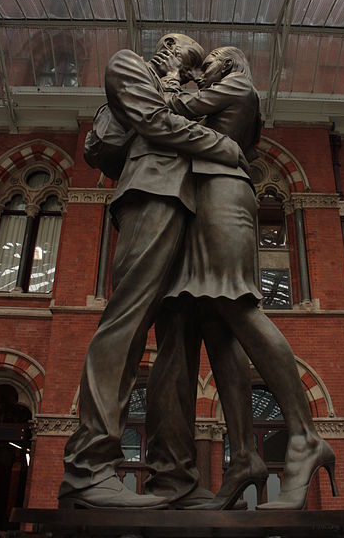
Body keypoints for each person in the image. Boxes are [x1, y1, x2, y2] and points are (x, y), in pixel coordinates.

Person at [58, 34, 250, 510]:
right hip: (151, 195)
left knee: (179, 347)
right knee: (126, 321)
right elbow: (154, 121)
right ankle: (88, 467)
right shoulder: (129, 66)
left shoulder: (189, 93)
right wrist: (221, 146)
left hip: (190, 208)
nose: (179, 58)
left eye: (188, 57)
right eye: (178, 49)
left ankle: (175, 479)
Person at [146, 46, 338, 511]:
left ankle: (305, 438)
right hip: (206, 198)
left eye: (208, 62)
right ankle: (245, 458)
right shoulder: (228, 93)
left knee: (236, 304)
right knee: (215, 322)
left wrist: (173, 76)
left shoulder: (237, 85)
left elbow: (170, 111)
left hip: (224, 197)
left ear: (229, 63)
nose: (201, 70)